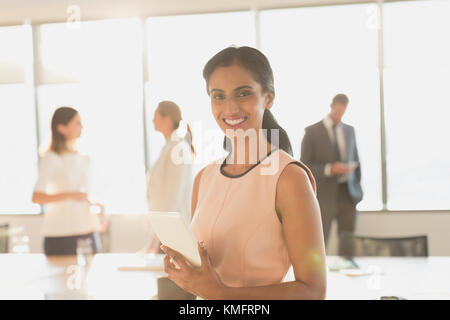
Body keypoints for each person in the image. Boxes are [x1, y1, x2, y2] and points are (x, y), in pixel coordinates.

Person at [160, 46, 326, 300]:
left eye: (243, 93)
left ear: (268, 98)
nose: (230, 108)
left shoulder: (289, 178)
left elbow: (313, 292)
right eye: (218, 96)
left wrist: (221, 294)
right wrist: (186, 275)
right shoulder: (204, 178)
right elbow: (204, 279)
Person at [32, 107, 106, 255]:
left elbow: (84, 194)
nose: (82, 127)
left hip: (88, 231)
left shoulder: (84, 158)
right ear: (62, 128)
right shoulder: (51, 157)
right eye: (77, 123)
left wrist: (98, 206)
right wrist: (70, 195)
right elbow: (37, 197)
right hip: (61, 235)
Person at [300, 94, 363, 256]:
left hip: (348, 194)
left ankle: (349, 274)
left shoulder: (350, 131)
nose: (339, 115)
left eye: (343, 112)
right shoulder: (312, 132)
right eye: (337, 111)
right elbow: (304, 166)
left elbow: (356, 160)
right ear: (331, 106)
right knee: (320, 242)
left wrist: (357, 189)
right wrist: (329, 169)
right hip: (324, 195)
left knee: (348, 244)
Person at [145, 101, 195, 253]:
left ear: (167, 119)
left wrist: (156, 239)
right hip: (166, 231)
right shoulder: (170, 147)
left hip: (172, 233)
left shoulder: (178, 149)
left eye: (155, 116)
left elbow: (173, 196)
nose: (153, 121)